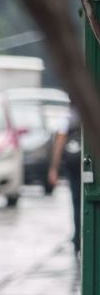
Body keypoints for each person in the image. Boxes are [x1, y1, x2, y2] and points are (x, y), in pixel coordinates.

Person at [48, 108, 82, 253]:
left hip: (74, 166)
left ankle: (78, 237)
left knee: (76, 201)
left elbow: (60, 140)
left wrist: (54, 168)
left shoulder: (69, 115)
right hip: (83, 165)